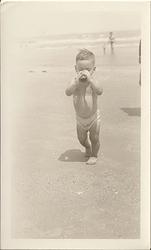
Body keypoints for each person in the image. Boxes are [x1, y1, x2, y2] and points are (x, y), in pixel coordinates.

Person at [65, 49, 103, 165]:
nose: (83, 73)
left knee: (94, 138)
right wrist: (75, 83)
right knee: (81, 139)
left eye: (87, 70)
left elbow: (100, 91)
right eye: (81, 70)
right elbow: (67, 92)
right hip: (80, 119)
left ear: (93, 70)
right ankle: (87, 147)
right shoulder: (74, 82)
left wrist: (91, 80)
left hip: (93, 118)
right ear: (76, 69)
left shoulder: (93, 82)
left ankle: (94, 155)